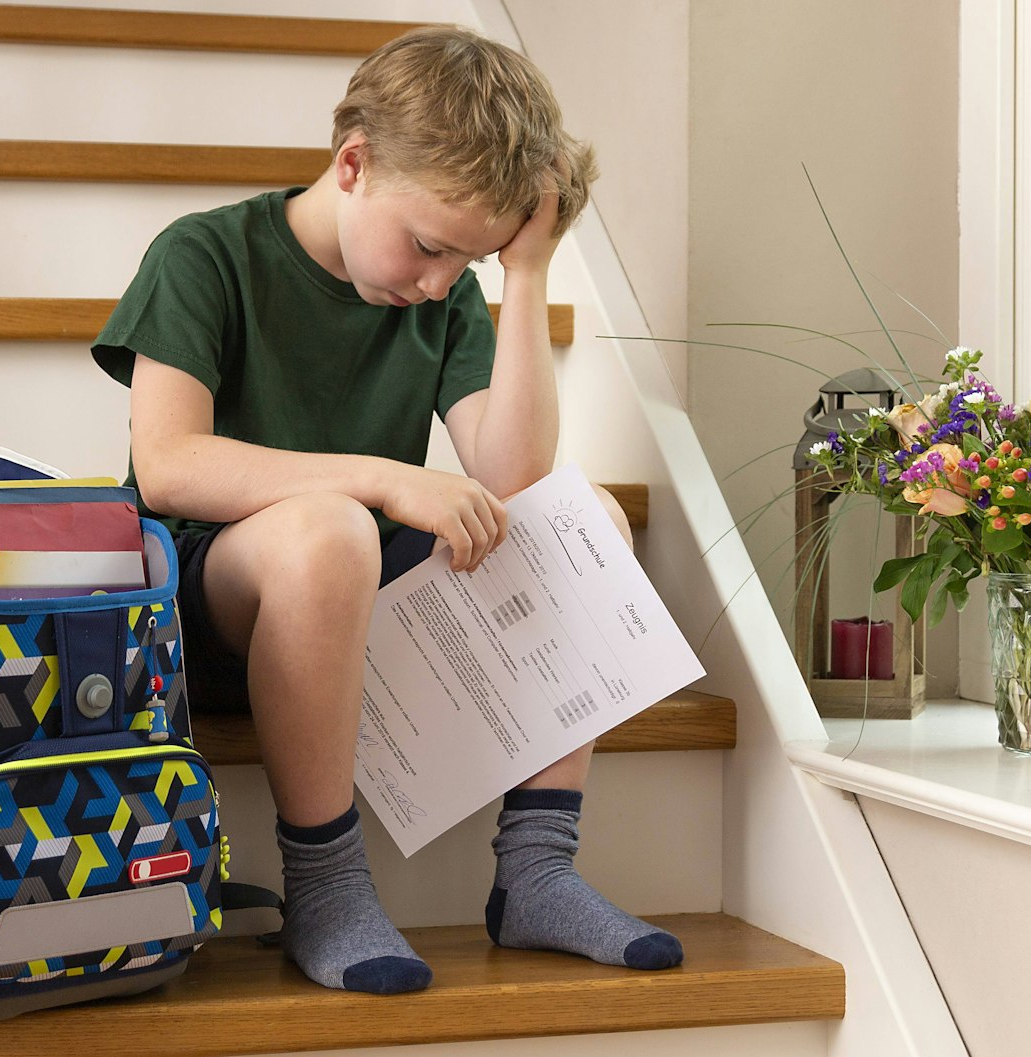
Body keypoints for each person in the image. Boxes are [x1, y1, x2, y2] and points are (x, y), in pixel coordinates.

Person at [90, 25, 681, 995]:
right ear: (352, 163)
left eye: (471, 263)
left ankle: (536, 868)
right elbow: (167, 467)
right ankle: (323, 879)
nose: (438, 281)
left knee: (587, 524)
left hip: (350, 609)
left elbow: (517, 475)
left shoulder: (439, 294)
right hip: (203, 602)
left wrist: (525, 274)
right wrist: (378, 477)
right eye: (430, 247)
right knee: (327, 528)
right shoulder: (205, 254)